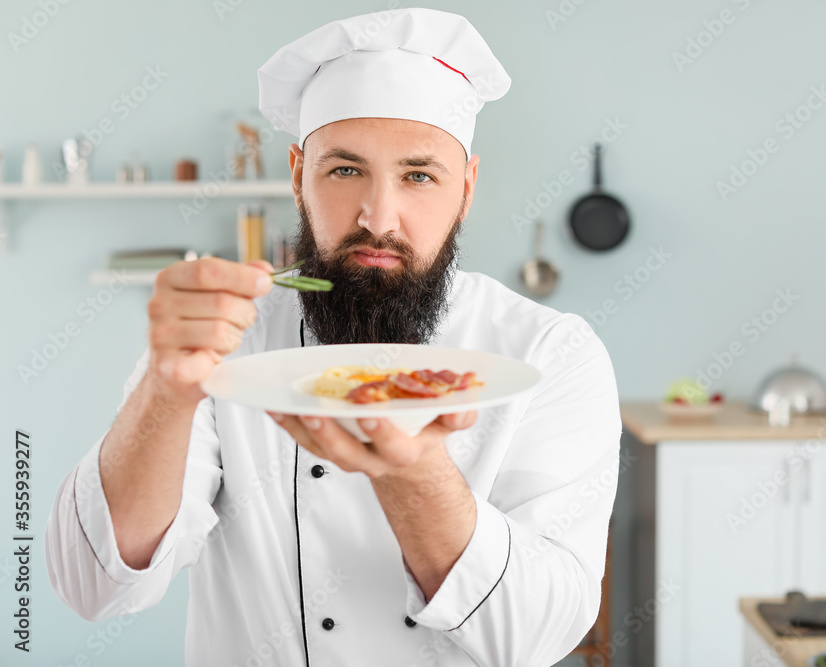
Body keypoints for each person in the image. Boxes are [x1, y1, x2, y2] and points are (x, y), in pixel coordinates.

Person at [45, 8, 621, 666]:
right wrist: (165, 390)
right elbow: (92, 587)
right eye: (345, 171)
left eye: (419, 176)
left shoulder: (550, 353)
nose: (379, 217)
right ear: (297, 174)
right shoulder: (228, 335)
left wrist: (411, 471)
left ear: (466, 188)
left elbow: (536, 636)